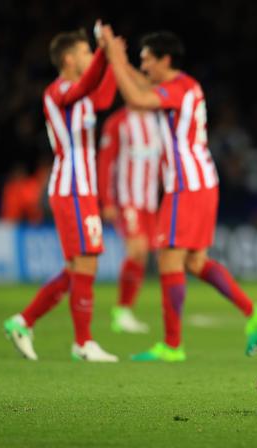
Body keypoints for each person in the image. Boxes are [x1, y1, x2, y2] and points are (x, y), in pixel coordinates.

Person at [99, 25, 257, 360]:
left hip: (186, 185)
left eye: (146, 59)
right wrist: (118, 61)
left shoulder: (177, 88)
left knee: (169, 257)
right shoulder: (182, 85)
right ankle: (254, 312)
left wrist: (116, 61)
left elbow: (136, 97)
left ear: (165, 59)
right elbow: (142, 85)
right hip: (201, 181)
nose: (144, 66)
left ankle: (172, 345)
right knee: (194, 261)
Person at [3, 23, 118, 362]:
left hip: (81, 189)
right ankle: (83, 343)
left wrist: (109, 60)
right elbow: (88, 86)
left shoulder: (80, 95)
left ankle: (23, 321)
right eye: (84, 53)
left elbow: (105, 96)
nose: (89, 58)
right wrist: (103, 51)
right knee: (85, 264)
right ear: (69, 58)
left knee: (78, 268)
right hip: (71, 188)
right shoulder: (58, 92)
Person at [98, 105, 162, 334]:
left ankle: (125, 310)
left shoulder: (157, 120)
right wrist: (106, 201)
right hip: (127, 199)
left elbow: (162, 161)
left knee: (144, 255)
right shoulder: (119, 122)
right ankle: (121, 311)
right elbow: (105, 162)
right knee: (137, 249)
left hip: (150, 201)